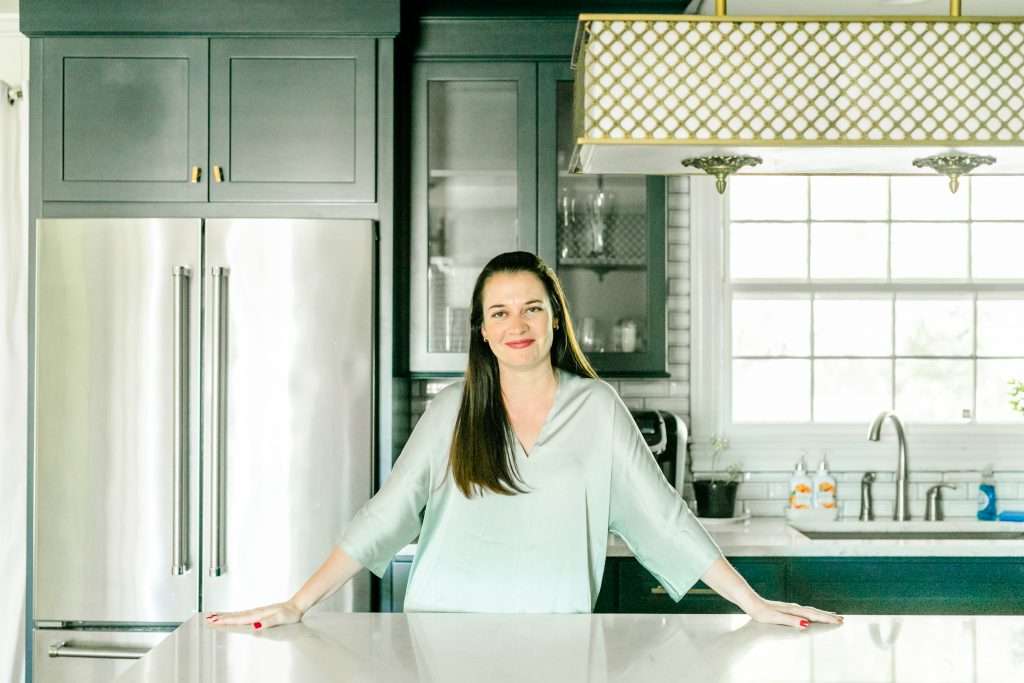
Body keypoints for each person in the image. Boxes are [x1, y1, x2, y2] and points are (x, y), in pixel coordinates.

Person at [208, 251, 842, 630]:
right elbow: (387, 513)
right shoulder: (452, 410)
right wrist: (297, 603)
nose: (518, 324)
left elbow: (663, 519)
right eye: (500, 312)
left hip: (558, 643)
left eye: (532, 308)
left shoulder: (596, 408)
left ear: (554, 319)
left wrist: (753, 603)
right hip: (440, 639)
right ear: (482, 331)